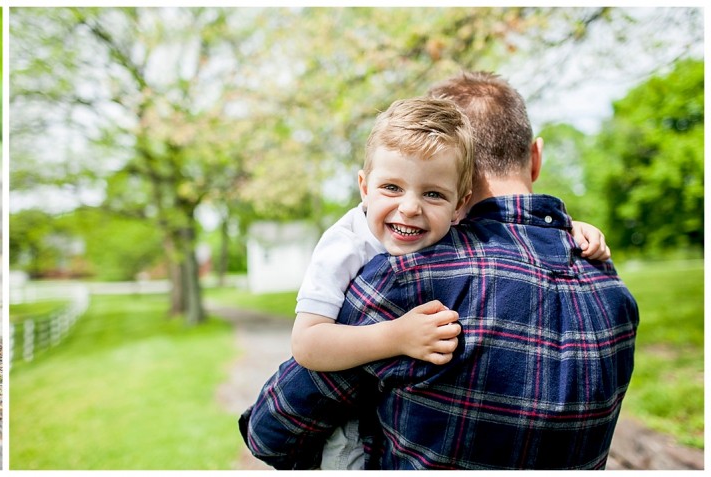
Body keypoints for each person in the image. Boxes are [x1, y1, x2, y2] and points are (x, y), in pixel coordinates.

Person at [241, 71, 638, 470]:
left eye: (431, 193)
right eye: (392, 188)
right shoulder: (608, 281)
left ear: (463, 188)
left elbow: (271, 433)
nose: (410, 208)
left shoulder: (410, 278)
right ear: (535, 158)